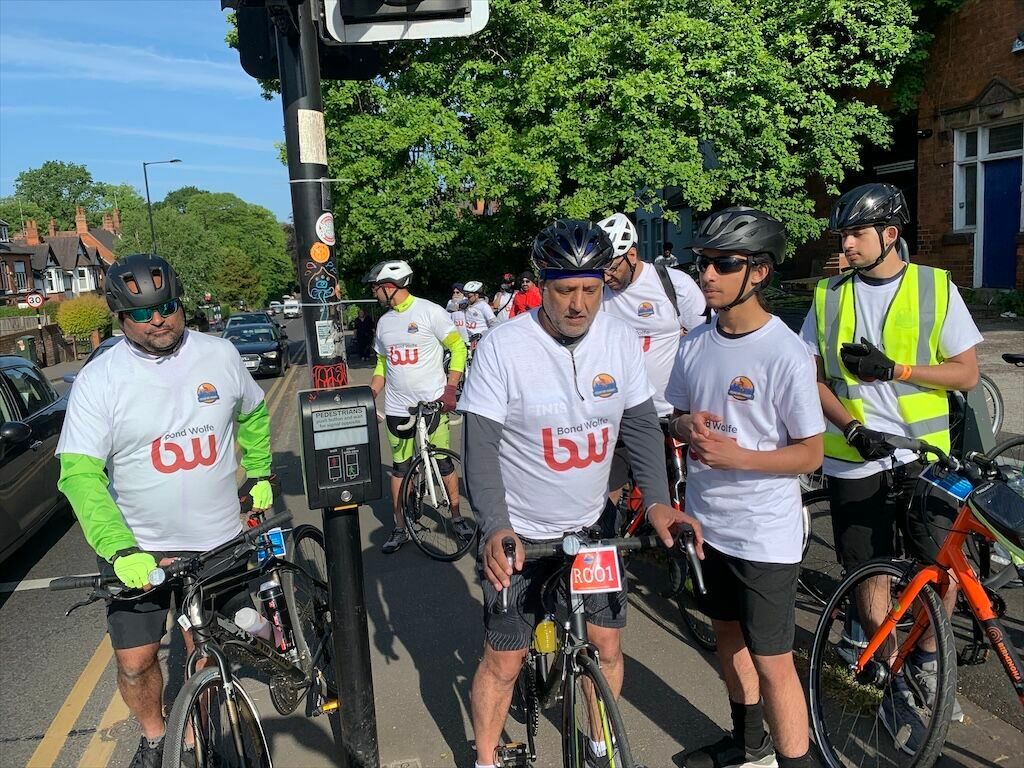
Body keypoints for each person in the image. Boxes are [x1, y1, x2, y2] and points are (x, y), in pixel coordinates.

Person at [460, 219, 703, 768]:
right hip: (521, 531)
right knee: (505, 660)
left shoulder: (618, 338)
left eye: (590, 290)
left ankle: (598, 744)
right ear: (541, 286)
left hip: (594, 527)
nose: (579, 305)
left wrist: (658, 501)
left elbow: (640, 426)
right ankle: (486, 759)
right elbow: (480, 449)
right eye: (565, 290)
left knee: (607, 646)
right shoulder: (503, 347)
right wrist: (495, 525)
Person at [55, 253, 275, 768]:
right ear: (121, 318)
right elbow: (79, 474)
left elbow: (253, 411)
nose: (158, 319)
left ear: (181, 305)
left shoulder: (221, 355)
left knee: (210, 644)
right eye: (142, 313)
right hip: (139, 548)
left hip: (218, 540)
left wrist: (261, 473)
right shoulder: (100, 379)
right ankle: (155, 736)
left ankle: (201, 721)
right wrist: (119, 549)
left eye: (167, 306)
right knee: (135, 663)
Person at [800, 182, 981, 742]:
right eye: (843, 235)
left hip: (924, 456)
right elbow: (812, 378)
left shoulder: (935, 287)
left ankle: (926, 658)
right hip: (855, 458)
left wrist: (899, 371)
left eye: (857, 233)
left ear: (890, 234)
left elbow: (966, 373)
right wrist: (852, 427)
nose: (846, 244)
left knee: (943, 569)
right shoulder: (829, 295)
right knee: (870, 572)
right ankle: (892, 676)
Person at [666, 207, 824, 768]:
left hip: (763, 533)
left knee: (774, 660)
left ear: (758, 271)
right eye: (703, 263)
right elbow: (675, 417)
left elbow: (811, 453)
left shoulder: (785, 352)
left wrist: (741, 457)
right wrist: (684, 426)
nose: (706, 275)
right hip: (706, 524)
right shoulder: (694, 343)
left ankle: (796, 761)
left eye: (723, 264)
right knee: (727, 638)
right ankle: (748, 743)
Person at [364, 260, 474, 553]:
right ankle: (400, 527)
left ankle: (456, 517)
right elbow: (382, 364)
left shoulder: (430, 311)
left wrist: (450, 389)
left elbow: (458, 347)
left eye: (376, 288)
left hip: (432, 403)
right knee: (400, 469)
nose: (374, 293)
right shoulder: (384, 323)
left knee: (443, 462)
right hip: (398, 407)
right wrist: (371, 392)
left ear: (390, 287)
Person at [600, 213, 708, 498]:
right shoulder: (599, 293)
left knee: (675, 494)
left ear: (631, 255)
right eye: (601, 269)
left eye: (611, 268)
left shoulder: (673, 284)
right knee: (608, 495)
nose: (606, 277)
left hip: (669, 413)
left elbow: (705, 343)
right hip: (620, 414)